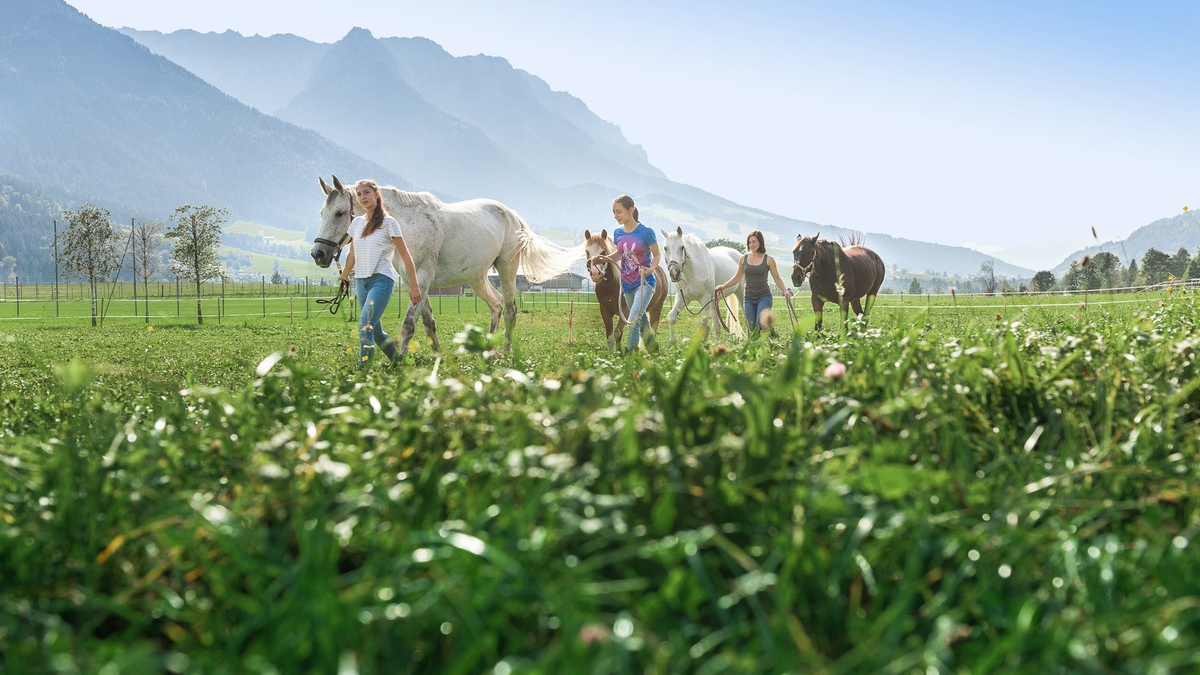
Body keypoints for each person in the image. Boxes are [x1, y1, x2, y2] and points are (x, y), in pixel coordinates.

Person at [338, 179, 421, 367]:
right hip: (361, 282)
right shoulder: (357, 223)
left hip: (381, 280)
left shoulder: (389, 223)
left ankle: (363, 372)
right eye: (358, 194)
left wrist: (414, 286)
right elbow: (353, 253)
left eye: (366, 192)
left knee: (365, 325)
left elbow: (406, 256)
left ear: (376, 194)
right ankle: (397, 362)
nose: (362, 197)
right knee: (375, 331)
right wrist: (345, 274)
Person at [592, 194, 660, 352]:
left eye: (619, 212)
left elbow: (657, 255)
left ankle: (630, 354)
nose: (616, 216)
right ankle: (653, 349)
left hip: (644, 283)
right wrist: (603, 259)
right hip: (627, 285)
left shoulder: (646, 232)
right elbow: (619, 254)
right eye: (613, 212)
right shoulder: (618, 233)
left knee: (633, 320)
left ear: (631, 210)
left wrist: (651, 269)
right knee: (641, 319)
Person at [716, 230, 792, 334]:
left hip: (764, 297)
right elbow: (738, 277)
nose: (752, 245)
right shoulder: (743, 259)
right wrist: (723, 286)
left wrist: (785, 291)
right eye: (749, 242)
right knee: (752, 327)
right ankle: (760, 344)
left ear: (760, 242)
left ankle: (771, 335)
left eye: (754, 241)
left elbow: (777, 278)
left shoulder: (769, 259)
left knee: (759, 324)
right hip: (748, 298)